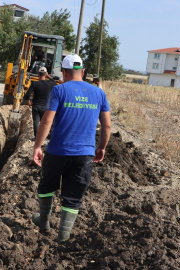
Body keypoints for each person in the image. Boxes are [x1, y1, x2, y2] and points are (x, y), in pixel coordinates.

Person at [32, 54, 111, 244]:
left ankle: (44, 223)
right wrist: (101, 147)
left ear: (64, 73)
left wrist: (37, 146)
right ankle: (63, 236)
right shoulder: (99, 93)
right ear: (83, 72)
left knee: (46, 186)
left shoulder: (59, 90)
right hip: (85, 154)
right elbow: (107, 126)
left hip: (57, 151)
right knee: (74, 196)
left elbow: (47, 120)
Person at [24, 67, 56, 139]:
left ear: (38, 75)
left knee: (36, 122)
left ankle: (37, 138)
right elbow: (54, 83)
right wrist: (48, 76)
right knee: (46, 122)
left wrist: (29, 102)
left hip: (36, 106)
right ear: (45, 74)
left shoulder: (34, 83)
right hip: (46, 107)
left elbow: (28, 94)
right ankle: (47, 136)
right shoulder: (49, 83)